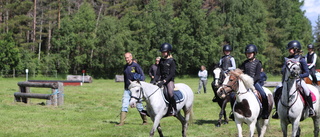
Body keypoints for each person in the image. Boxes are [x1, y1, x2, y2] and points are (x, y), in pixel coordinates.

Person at [272, 40, 314, 118]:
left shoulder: (301, 59)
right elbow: (283, 70)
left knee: (306, 91)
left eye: (290, 49)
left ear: (296, 49)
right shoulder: (287, 59)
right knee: (276, 90)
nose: (289, 50)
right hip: (287, 81)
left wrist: (299, 76)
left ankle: (311, 109)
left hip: (298, 80)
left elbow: (307, 73)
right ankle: (277, 111)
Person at [116, 52, 148, 126]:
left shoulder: (136, 66)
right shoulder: (125, 67)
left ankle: (145, 121)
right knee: (124, 104)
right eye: (125, 58)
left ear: (131, 57)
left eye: (127, 57)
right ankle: (121, 123)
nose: (126, 59)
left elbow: (143, 76)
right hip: (127, 89)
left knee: (139, 106)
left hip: (135, 90)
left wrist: (137, 78)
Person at [239, 44, 269, 119]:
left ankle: (265, 112)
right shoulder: (244, 63)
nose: (248, 55)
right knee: (233, 96)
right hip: (245, 83)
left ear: (254, 53)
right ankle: (235, 112)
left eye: (250, 53)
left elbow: (258, 76)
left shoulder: (258, 63)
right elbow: (240, 71)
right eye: (247, 53)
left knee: (263, 95)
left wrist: (251, 82)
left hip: (255, 83)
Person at [154, 43, 177, 116]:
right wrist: (155, 80)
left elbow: (172, 74)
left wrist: (164, 81)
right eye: (162, 52)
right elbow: (158, 72)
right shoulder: (161, 61)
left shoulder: (172, 61)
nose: (163, 53)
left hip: (169, 80)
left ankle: (174, 108)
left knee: (170, 92)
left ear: (168, 52)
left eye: (164, 52)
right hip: (161, 79)